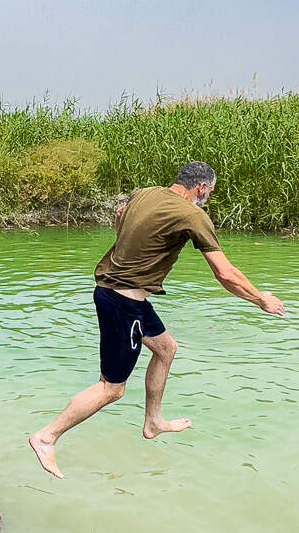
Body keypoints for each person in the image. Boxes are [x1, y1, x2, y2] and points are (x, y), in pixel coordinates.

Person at [29, 161, 285, 479]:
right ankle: (47, 436)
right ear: (202, 188)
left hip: (117, 293)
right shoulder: (194, 215)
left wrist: (130, 247)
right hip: (124, 303)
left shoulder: (145, 193)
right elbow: (225, 273)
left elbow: (120, 213)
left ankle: (154, 422)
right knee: (112, 388)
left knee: (166, 348)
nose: (208, 198)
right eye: (210, 192)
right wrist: (261, 299)